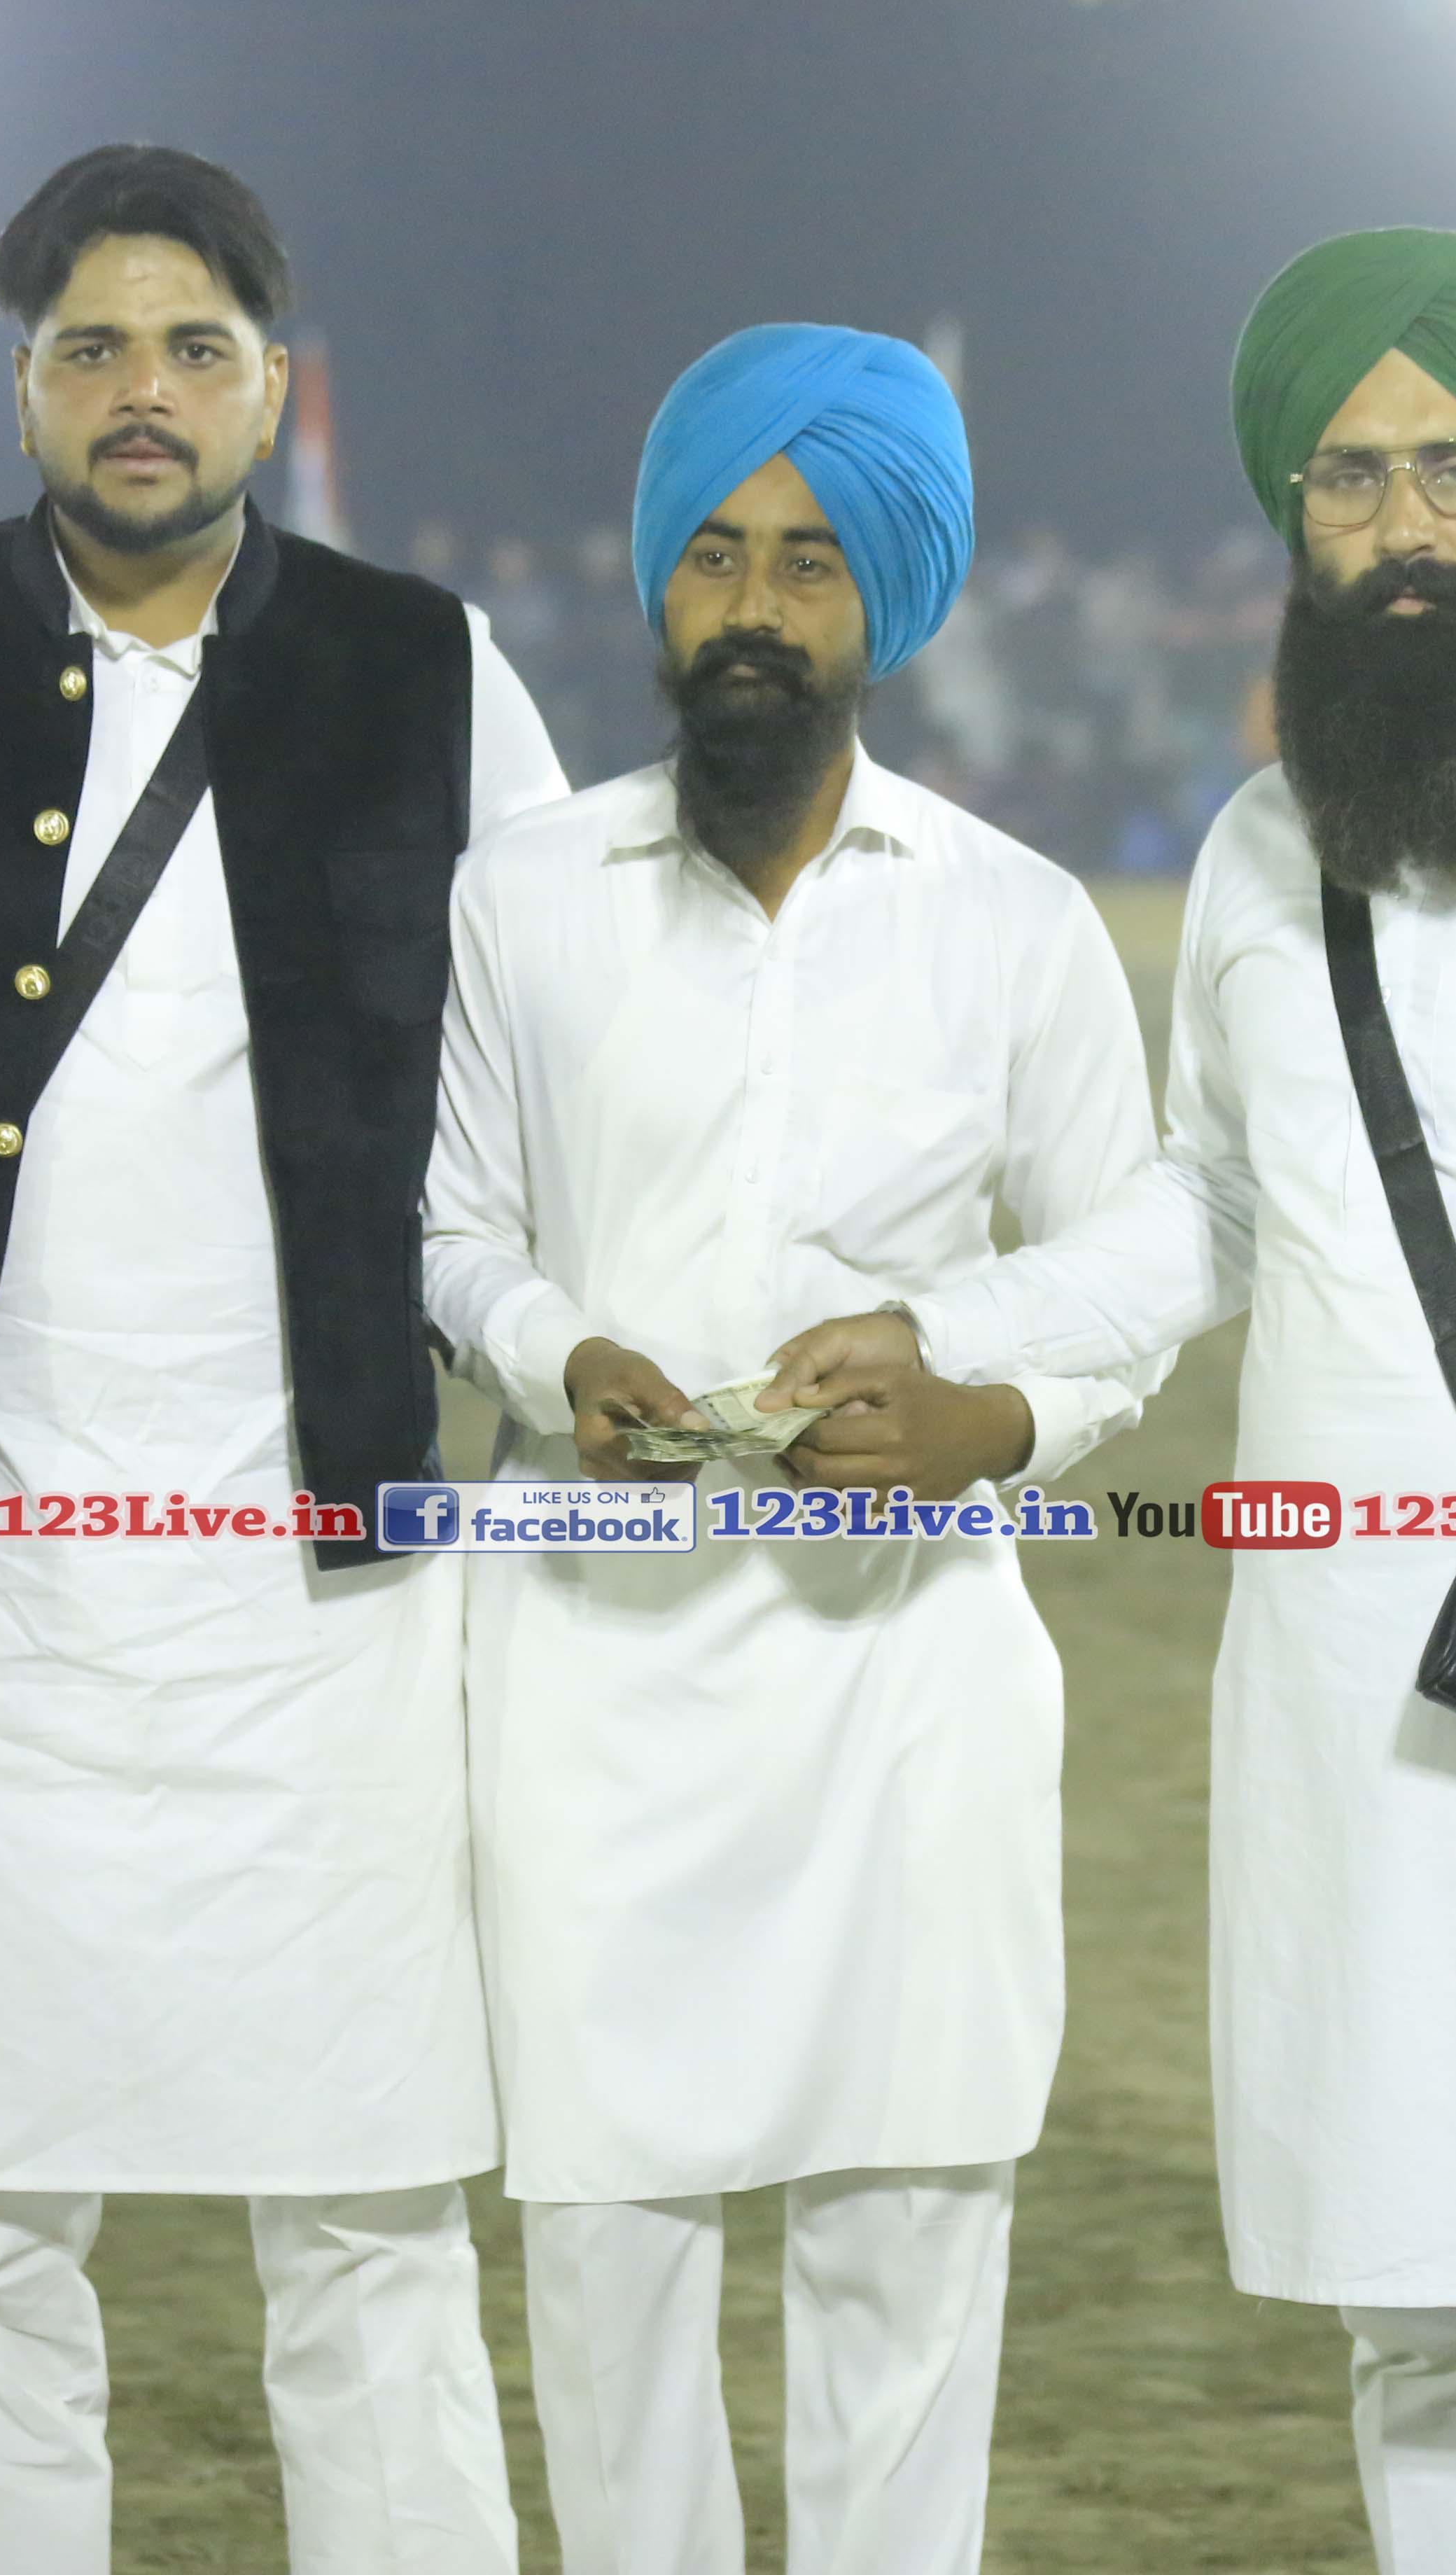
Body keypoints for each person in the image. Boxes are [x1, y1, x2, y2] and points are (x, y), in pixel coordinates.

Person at [774, 226, 1456, 2561]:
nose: (1403, 527)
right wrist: (960, 1334)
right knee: (1427, 2308)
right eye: (1352, 478)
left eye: (1455, 470)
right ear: (1292, 514)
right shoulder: (1267, 848)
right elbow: (1219, 1206)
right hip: (1356, 1691)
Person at [0, 145, 566, 2575]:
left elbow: (535, 1074)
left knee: (375, 2202)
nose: (143, 392)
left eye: (195, 348)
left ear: (273, 387)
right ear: (22, 392)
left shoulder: (429, 665)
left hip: (327, 1585)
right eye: (90, 348)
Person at [425, 323, 1162, 2575]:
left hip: (905, 1686)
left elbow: (1127, 1278)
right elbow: (448, 1228)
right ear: (661, 584)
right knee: (608, 2262)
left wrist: (982, 1413)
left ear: (889, 604)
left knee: (907, 2252)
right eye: (718, 555)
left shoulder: (1017, 919)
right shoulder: (521, 892)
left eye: (814, 564)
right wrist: (562, 1356)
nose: (755, 606)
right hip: (592, 1677)